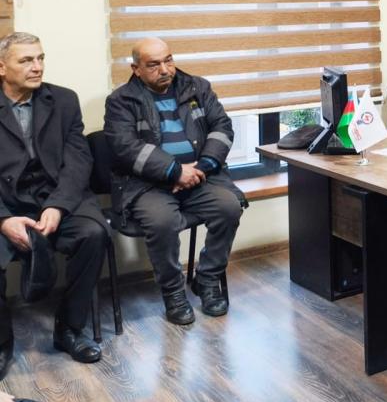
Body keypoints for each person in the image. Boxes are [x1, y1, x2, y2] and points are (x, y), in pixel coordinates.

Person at [103, 37, 246, 325]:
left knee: (229, 207)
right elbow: (126, 148)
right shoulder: (121, 101)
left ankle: (207, 279)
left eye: (168, 60)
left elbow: (222, 128)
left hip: (200, 176)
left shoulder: (198, 87)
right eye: (153, 64)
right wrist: (175, 172)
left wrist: (200, 168)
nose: (165, 69)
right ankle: (173, 293)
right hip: (147, 185)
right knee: (162, 222)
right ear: (136, 69)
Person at [0, 32, 107, 365]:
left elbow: (78, 160)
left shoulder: (63, 99)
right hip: (6, 203)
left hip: (57, 196)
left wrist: (58, 205)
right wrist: (3, 219)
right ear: (2, 67)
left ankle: (69, 329)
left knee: (93, 234)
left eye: (40, 58)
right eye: (26, 60)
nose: (37, 67)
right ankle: (1, 343)